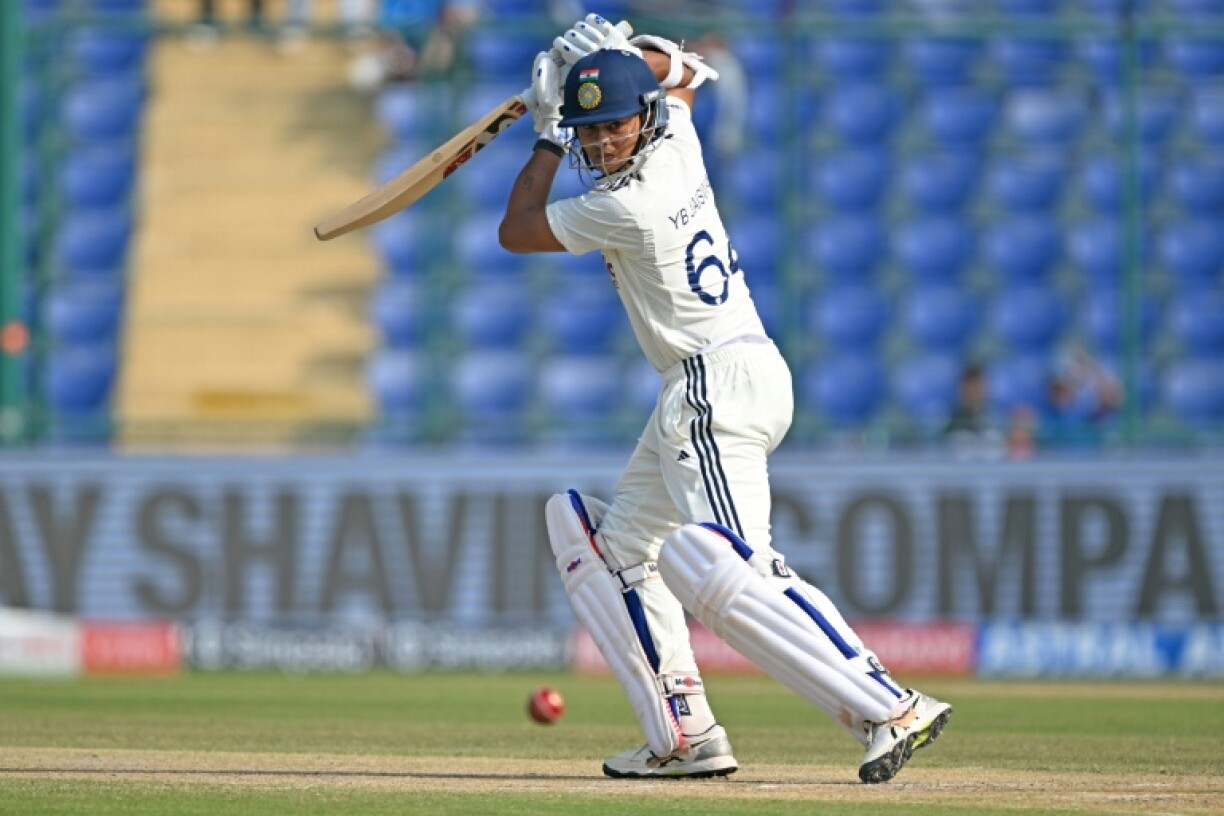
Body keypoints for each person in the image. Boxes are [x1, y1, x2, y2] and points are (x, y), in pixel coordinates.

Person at [498, 14, 952, 784]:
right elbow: (692, 74)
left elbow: (515, 230)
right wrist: (627, 52)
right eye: (588, 131)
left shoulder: (625, 205)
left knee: (730, 565)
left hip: (714, 387)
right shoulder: (677, 138)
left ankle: (889, 704)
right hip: (715, 380)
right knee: (604, 549)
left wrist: (545, 131)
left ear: (638, 121)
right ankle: (684, 735)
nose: (602, 143)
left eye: (613, 125)